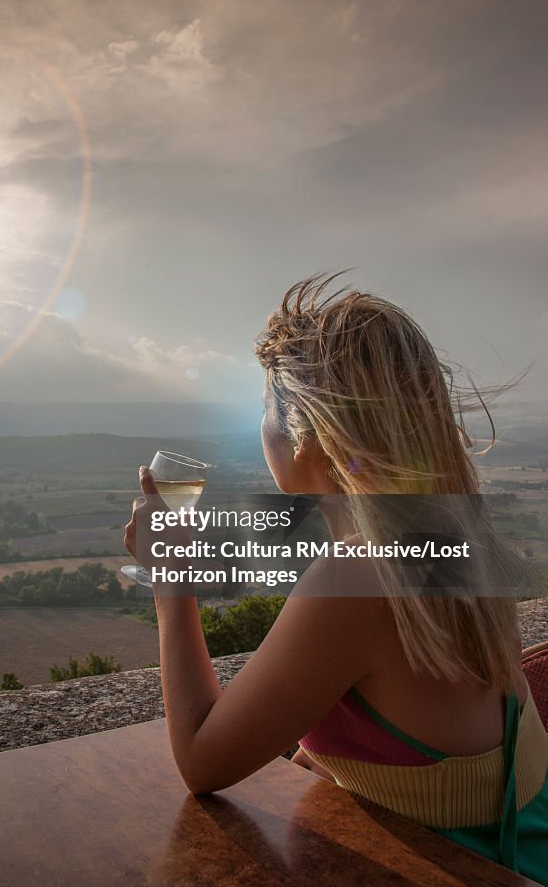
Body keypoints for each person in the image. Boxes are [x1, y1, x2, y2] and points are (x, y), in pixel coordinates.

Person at [123, 272, 548, 883]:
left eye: (265, 409)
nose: (261, 428)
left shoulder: (359, 576)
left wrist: (169, 580)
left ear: (308, 439)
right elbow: (383, 738)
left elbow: (201, 763)